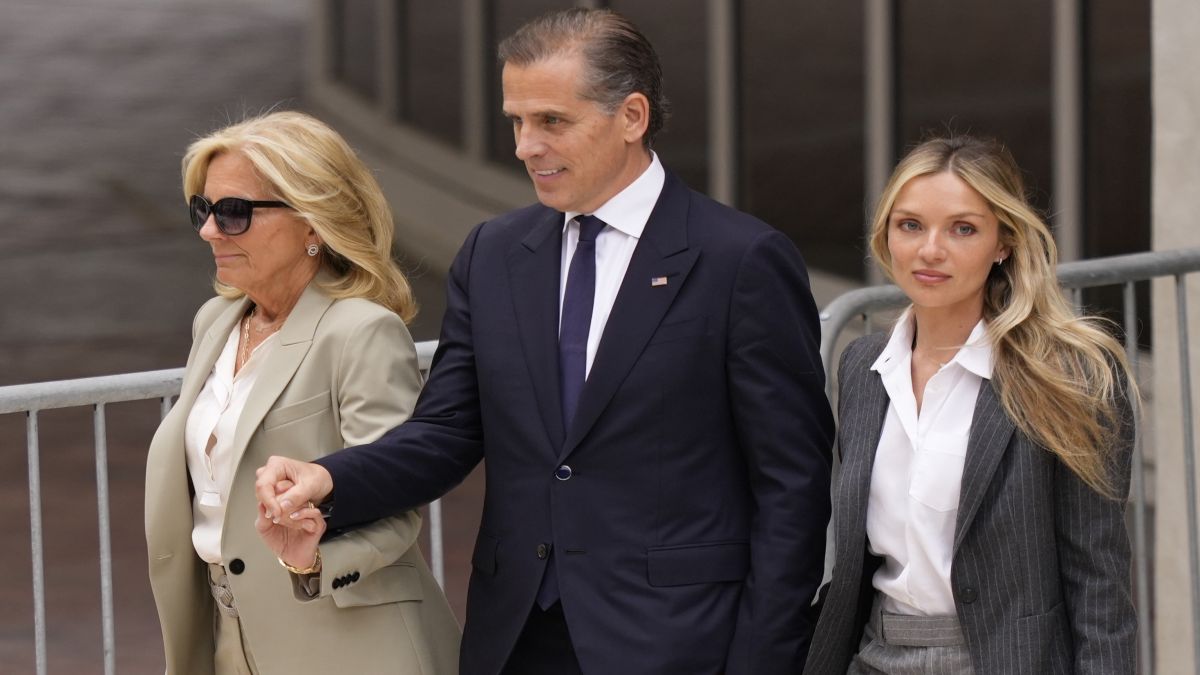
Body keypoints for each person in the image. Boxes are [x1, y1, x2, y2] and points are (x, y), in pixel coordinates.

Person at [254, 8, 834, 675]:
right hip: (518, 639)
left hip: (679, 643)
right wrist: (331, 478)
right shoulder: (495, 253)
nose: (526, 145)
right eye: (517, 121)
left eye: (552, 121)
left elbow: (793, 485)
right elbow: (445, 431)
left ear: (632, 117)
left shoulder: (741, 261)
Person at [804, 135, 1137, 674]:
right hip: (874, 657)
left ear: (1003, 242)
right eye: (910, 225)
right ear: (886, 235)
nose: (931, 250)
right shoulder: (865, 368)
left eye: (963, 229)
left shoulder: (1070, 376)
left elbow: (1099, 584)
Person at [143, 110, 460, 674]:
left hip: (352, 643)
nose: (209, 230)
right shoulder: (214, 321)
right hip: (229, 641)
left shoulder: (361, 331)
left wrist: (314, 561)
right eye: (203, 209)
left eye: (234, 212)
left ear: (313, 223)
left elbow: (396, 499)